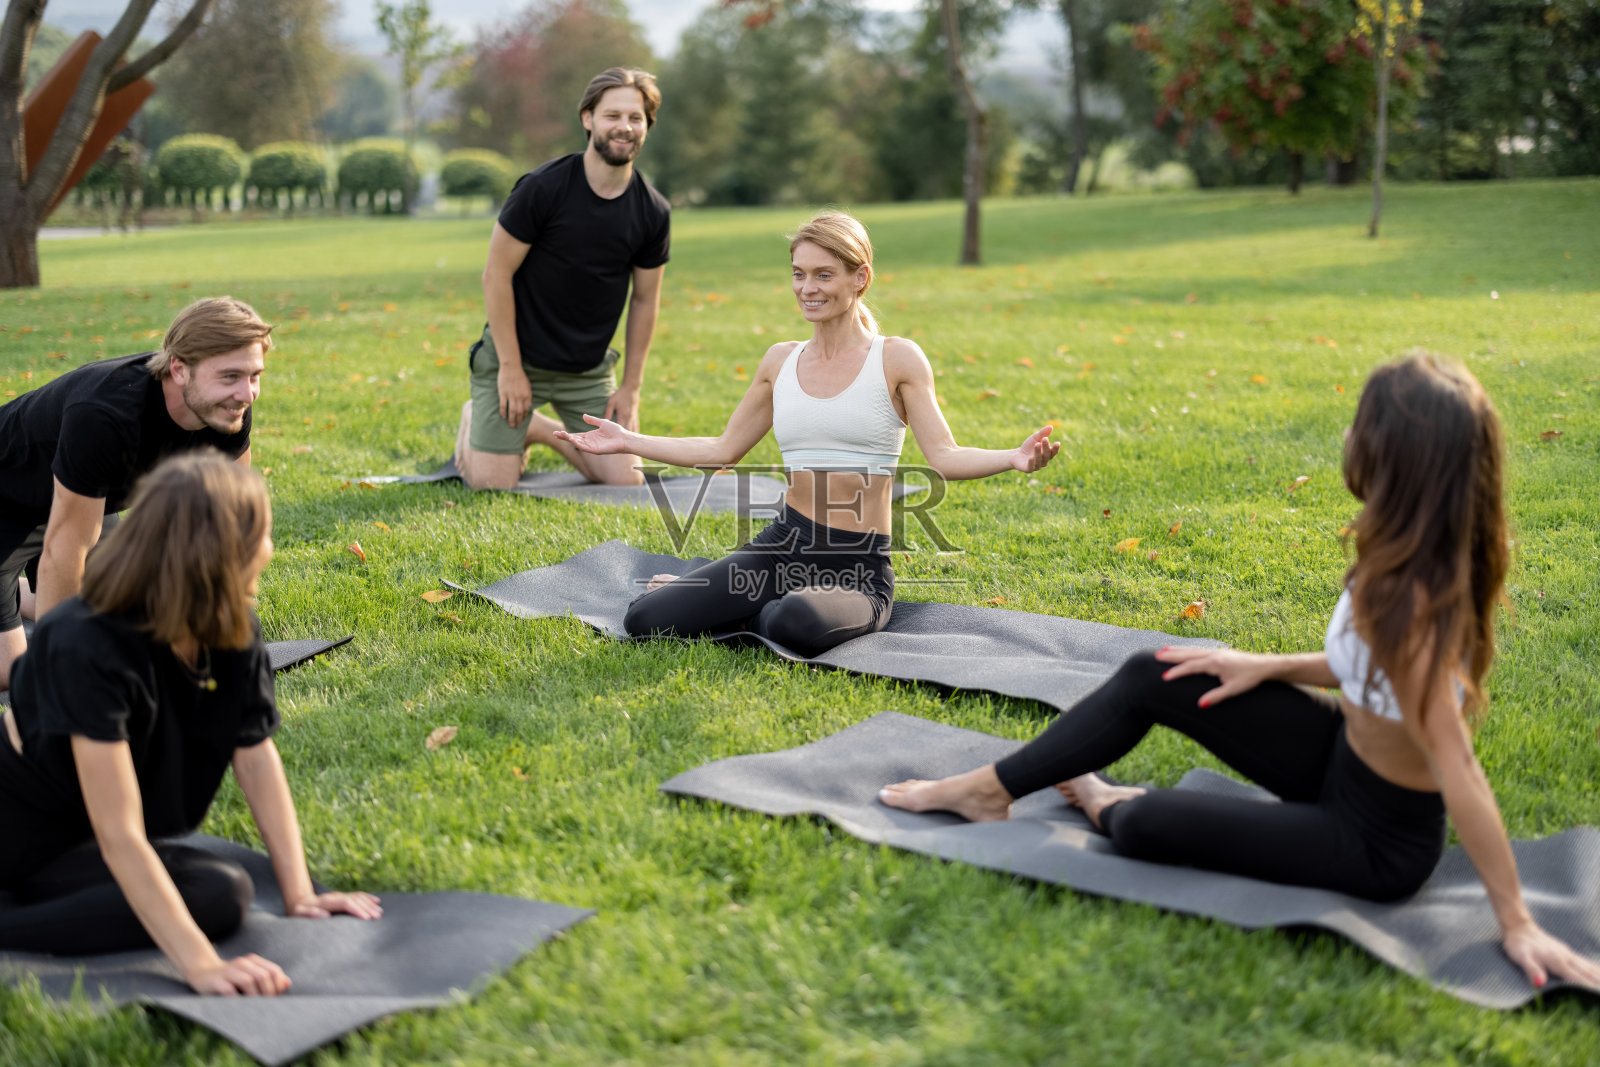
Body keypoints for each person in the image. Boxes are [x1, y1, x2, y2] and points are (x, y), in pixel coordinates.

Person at [879, 353, 1600, 991]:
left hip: (1376, 841)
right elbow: (1365, 666)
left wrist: (1517, 922)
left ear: (1395, 460)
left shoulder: (1415, 601)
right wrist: (1261, 664)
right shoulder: (1408, 547)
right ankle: (991, 788)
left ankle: (1101, 800)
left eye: (1359, 425)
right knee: (1158, 671)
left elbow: (1458, 765)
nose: (1347, 434)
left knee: (1146, 823)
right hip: (1341, 760)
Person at [556, 211, 1059, 657]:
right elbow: (722, 450)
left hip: (856, 569)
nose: (807, 288)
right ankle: (727, 590)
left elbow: (944, 455)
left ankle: (741, 604)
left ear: (860, 277)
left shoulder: (896, 359)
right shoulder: (780, 361)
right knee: (646, 619)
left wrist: (1011, 457)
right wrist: (629, 441)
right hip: (782, 547)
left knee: (793, 621)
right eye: (798, 274)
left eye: (824, 274)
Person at [0, 452, 380, 994]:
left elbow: (255, 754)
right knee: (214, 895)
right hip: (24, 835)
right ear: (217, 554)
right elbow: (118, 832)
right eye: (262, 535)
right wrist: (202, 965)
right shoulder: (86, 644)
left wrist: (300, 893)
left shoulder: (231, 625)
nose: (269, 549)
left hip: (84, 835)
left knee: (216, 890)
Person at [0, 296, 270, 689]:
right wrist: (63, 671)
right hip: (8, 503)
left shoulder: (226, 411)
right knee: (15, 673)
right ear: (179, 369)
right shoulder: (106, 415)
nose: (246, 394)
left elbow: (227, 524)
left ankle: (18, 593)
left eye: (254, 376)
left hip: (76, 502)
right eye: (230, 377)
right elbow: (64, 551)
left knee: (135, 623)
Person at [452, 66, 670, 491]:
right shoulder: (542, 188)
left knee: (626, 481)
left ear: (647, 126)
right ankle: (476, 414)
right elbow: (496, 275)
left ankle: (537, 427)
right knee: (492, 484)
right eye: (612, 115)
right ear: (588, 118)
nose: (624, 127)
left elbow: (645, 300)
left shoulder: (653, 211)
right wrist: (509, 369)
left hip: (587, 370)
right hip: (518, 357)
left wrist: (631, 387)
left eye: (635, 118)